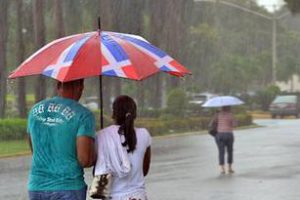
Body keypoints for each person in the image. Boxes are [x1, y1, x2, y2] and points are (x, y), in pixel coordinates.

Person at [27, 79, 96, 200]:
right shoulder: (83, 115)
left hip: (36, 187)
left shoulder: (34, 111)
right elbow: (84, 160)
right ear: (80, 87)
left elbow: (34, 149)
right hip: (68, 188)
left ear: (58, 86)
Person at [94, 95, 151, 200]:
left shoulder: (101, 136)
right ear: (134, 114)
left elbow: (98, 171)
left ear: (113, 114)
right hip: (138, 196)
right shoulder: (144, 134)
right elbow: (144, 170)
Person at [213, 106, 236, 174]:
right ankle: (230, 168)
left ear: (221, 108)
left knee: (221, 152)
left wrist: (216, 114)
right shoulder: (231, 115)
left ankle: (222, 169)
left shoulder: (217, 115)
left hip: (219, 135)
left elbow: (213, 122)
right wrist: (234, 120)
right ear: (229, 108)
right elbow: (234, 125)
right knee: (230, 151)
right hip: (229, 134)